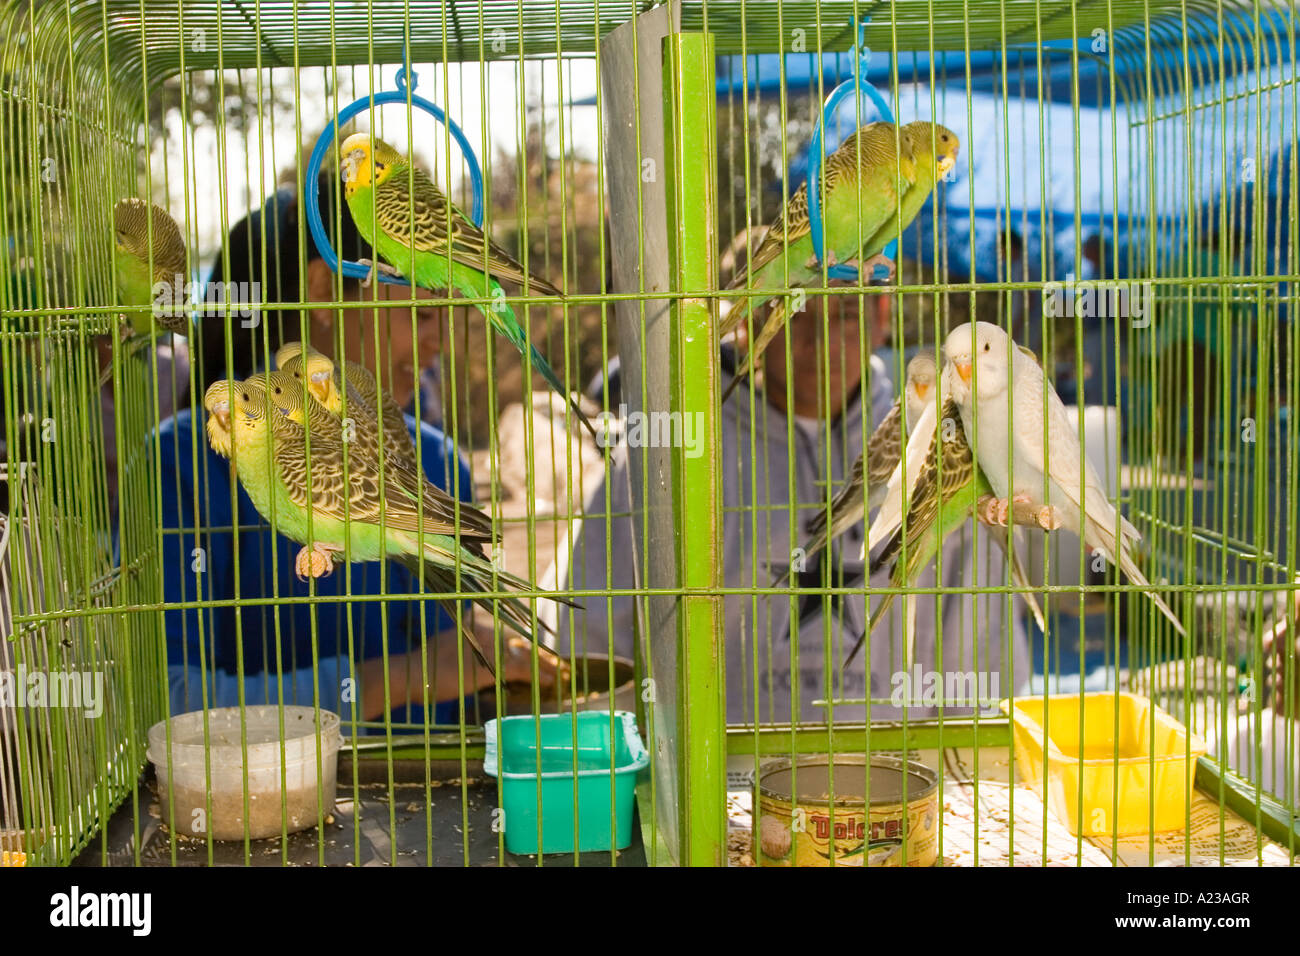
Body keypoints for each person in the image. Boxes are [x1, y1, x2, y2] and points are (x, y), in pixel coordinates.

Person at [159, 172, 549, 726]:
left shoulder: (435, 463)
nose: (438, 344)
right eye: (421, 313)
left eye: (447, 316)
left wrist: (496, 672)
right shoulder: (186, 467)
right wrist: (400, 678)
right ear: (324, 292)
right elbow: (169, 703)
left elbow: (451, 697)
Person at [557, 279, 1031, 723]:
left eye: (844, 314)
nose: (821, 342)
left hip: (899, 791)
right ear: (750, 326)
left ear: (882, 314)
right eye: (796, 316)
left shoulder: (943, 450)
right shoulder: (670, 455)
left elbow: (987, 654)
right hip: (726, 799)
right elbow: (595, 644)